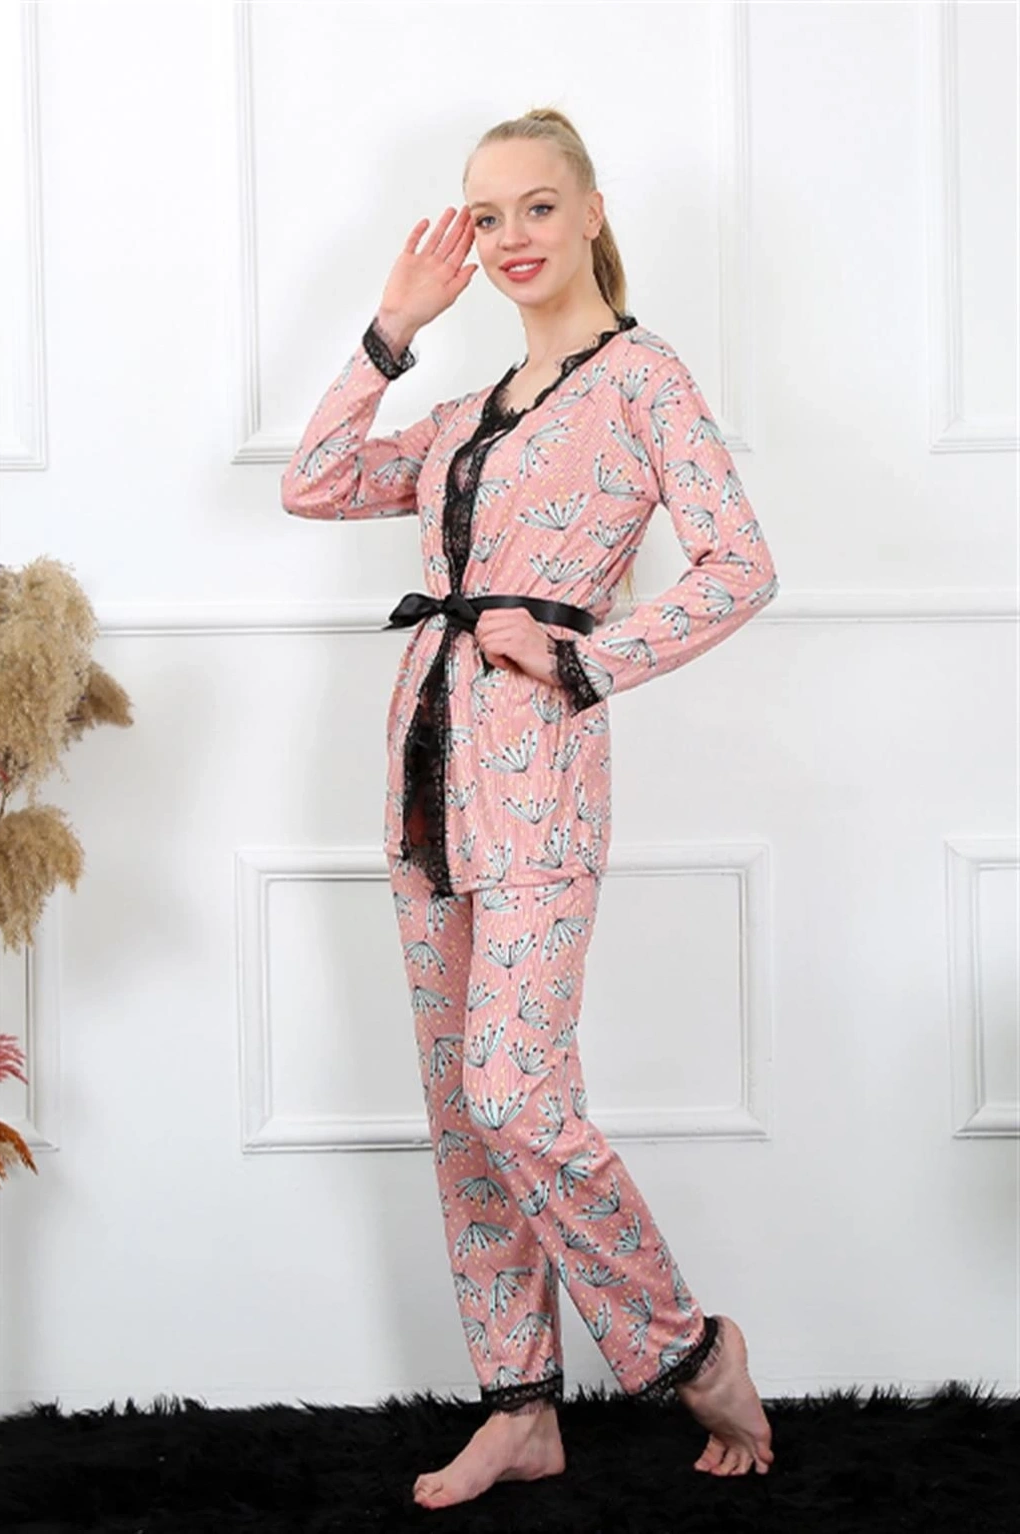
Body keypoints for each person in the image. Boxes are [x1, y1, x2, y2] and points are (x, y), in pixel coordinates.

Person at [281, 107, 778, 1512]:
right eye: (486, 215)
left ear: (593, 210)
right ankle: (521, 1404)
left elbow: (740, 566)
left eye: (537, 207)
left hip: (541, 781)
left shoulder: (645, 379)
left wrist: (581, 655)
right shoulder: (470, 412)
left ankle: (688, 1346)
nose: (510, 238)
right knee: (463, 1112)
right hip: (421, 779)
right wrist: (394, 327)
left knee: (517, 1093)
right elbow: (316, 483)